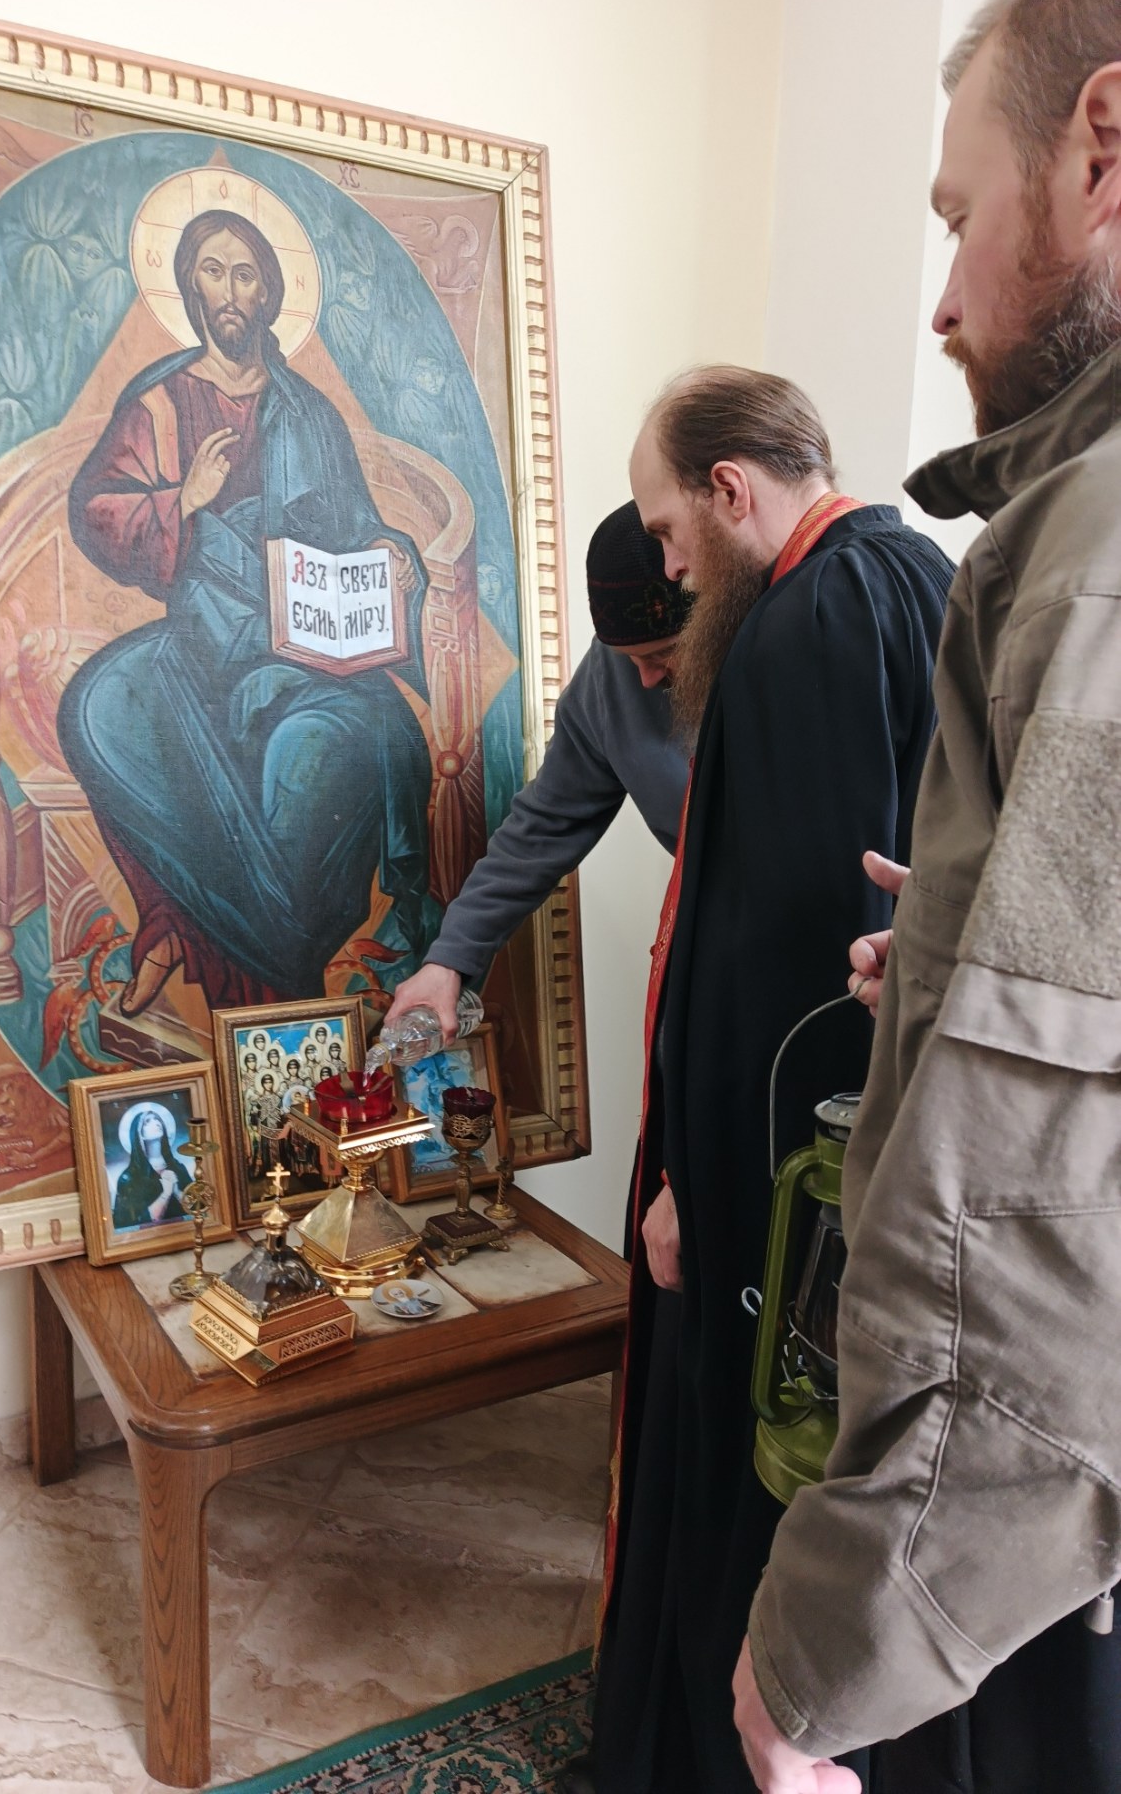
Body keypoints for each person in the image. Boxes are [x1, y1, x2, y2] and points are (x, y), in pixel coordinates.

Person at [736, 1, 1121, 1792]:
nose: (943, 304)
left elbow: (1032, 1187)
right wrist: (960, 952)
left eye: (959, 218)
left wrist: (823, 1649)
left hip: (1031, 1570)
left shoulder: (1095, 546)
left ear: (1101, 151)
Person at [590, 367, 953, 1794]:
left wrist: (693, 1178)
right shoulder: (916, 574)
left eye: (668, 531)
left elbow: (792, 967)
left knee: (751, 1475)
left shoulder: (801, 624)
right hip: (876, 1153)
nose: (672, 568)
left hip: (780, 1188)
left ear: (730, 491)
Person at [59, 208, 435, 1014]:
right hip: (205, 639)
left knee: (357, 744)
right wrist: (182, 500)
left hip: (304, 647)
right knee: (100, 711)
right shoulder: (161, 402)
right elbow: (96, 508)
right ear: (190, 288)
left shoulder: (309, 412)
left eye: (245, 274)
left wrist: (391, 550)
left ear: (268, 293)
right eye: (212, 272)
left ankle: (284, 960)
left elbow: (353, 525)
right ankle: (178, 925)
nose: (229, 291)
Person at [384, 500, 693, 1043]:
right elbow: (544, 826)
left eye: (663, 656)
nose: (644, 680)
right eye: (629, 658)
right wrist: (449, 960)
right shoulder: (611, 677)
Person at [112, 1108, 189, 1229]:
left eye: (157, 1119)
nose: (156, 1123)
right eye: (147, 1121)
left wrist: (177, 1192)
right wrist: (166, 1193)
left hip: (183, 1231)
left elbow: (197, 1208)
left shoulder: (178, 1168)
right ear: (139, 1134)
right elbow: (132, 1221)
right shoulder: (129, 1178)